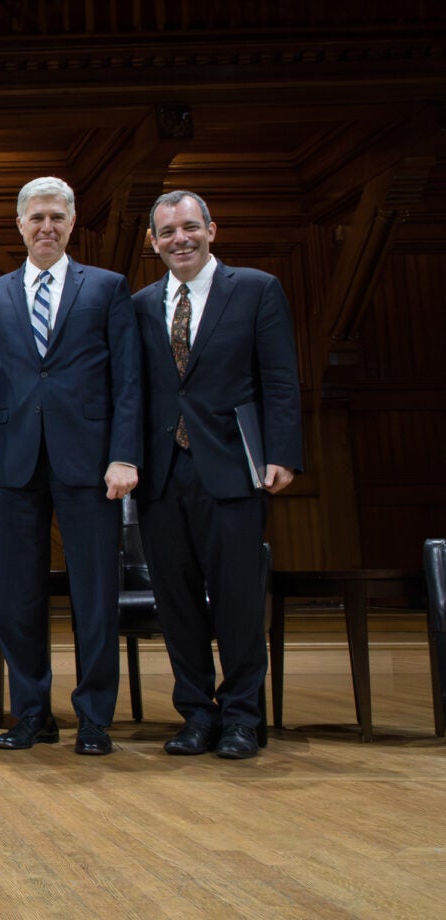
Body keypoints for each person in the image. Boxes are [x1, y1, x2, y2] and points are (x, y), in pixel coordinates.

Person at [0, 177, 141, 756]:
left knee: (95, 595)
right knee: (16, 597)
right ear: (19, 224)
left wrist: (123, 454)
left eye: (57, 218)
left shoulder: (108, 287)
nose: (46, 227)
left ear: (72, 225)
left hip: (90, 462)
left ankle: (93, 716)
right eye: (36, 218)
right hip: (16, 462)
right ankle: (32, 713)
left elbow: (128, 382)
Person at [134, 190, 302, 760]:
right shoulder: (139, 304)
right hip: (162, 473)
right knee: (176, 603)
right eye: (168, 232)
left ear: (211, 229)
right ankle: (196, 716)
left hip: (233, 468)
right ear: (153, 243)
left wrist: (281, 453)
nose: (180, 239)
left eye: (189, 227)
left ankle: (242, 719)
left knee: (236, 599)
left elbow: (279, 379)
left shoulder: (255, 290)